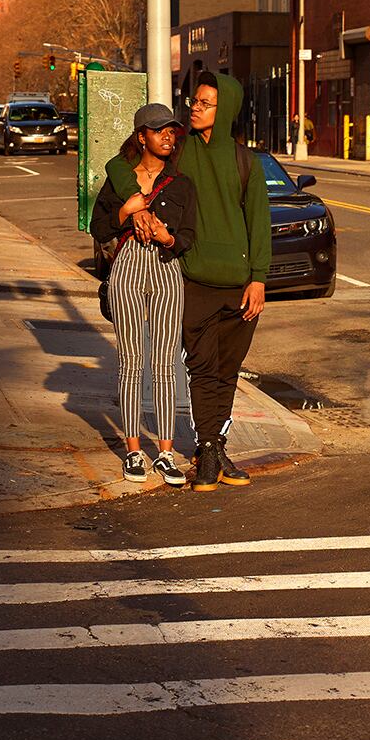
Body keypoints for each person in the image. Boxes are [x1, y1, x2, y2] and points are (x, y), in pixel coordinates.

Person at [109, 70, 268, 488]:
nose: (194, 108)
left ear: (226, 109)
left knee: (228, 371)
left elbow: (259, 223)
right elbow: (119, 163)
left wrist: (259, 279)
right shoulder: (178, 152)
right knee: (201, 369)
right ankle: (211, 450)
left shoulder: (245, 161)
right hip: (194, 279)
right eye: (194, 101)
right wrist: (137, 206)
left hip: (239, 285)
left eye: (204, 103)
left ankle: (212, 449)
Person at [92, 102, 196, 486]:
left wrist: (169, 237)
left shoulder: (181, 183)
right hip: (129, 268)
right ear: (141, 136)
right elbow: (98, 227)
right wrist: (125, 213)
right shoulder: (121, 181)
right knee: (132, 360)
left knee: (166, 362)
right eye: (158, 130)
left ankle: (166, 453)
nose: (167, 136)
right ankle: (134, 450)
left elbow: (189, 235)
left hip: (167, 268)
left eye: (171, 130)